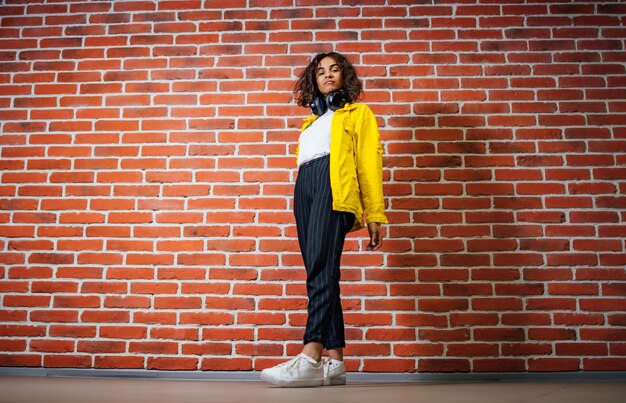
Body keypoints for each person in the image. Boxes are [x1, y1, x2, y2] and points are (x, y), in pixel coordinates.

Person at [260, 52, 388, 387]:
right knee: (322, 270)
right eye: (320, 71)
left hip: (334, 186)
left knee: (320, 269)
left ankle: (311, 355)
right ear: (314, 81)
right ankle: (335, 363)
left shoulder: (358, 114)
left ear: (344, 77)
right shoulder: (312, 121)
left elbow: (369, 165)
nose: (327, 75)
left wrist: (374, 213)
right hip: (306, 186)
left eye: (334, 70)